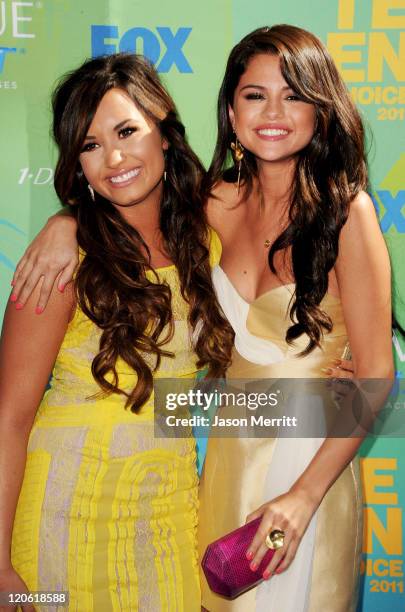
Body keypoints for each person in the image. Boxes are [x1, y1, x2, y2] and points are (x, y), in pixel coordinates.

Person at [8, 25, 393, 612]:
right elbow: (175, 386)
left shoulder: (340, 213)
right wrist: (66, 224)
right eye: (254, 95)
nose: (273, 113)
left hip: (300, 480)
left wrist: (316, 413)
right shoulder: (213, 206)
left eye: (293, 95)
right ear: (230, 111)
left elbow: (374, 375)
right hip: (210, 476)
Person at [0, 53, 234, 612]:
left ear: (166, 133)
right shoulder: (60, 261)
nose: (114, 157)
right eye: (90, 144)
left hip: (168, 516)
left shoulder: (207, 240)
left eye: (127, 131)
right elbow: (9, 416)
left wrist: (341, 364)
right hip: (61, 517)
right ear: (76, 163)